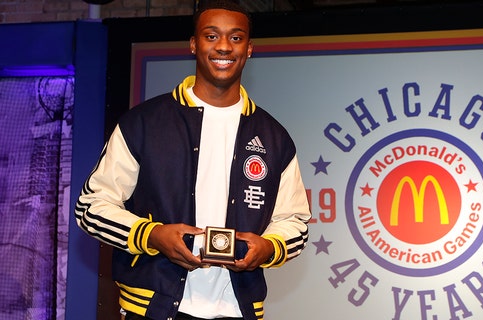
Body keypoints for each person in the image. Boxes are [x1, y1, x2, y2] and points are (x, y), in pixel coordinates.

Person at [74, 1, 311, 319]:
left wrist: (270, 247)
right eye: (211, 36)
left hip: (237, 309)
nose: (224, 46)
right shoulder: (144, 123)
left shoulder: (273, 137)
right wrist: (154, 235)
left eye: (236, 37)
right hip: (152, 307)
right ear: (193, 44)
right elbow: (90, 209)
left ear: (249, 49)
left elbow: (294, 222)